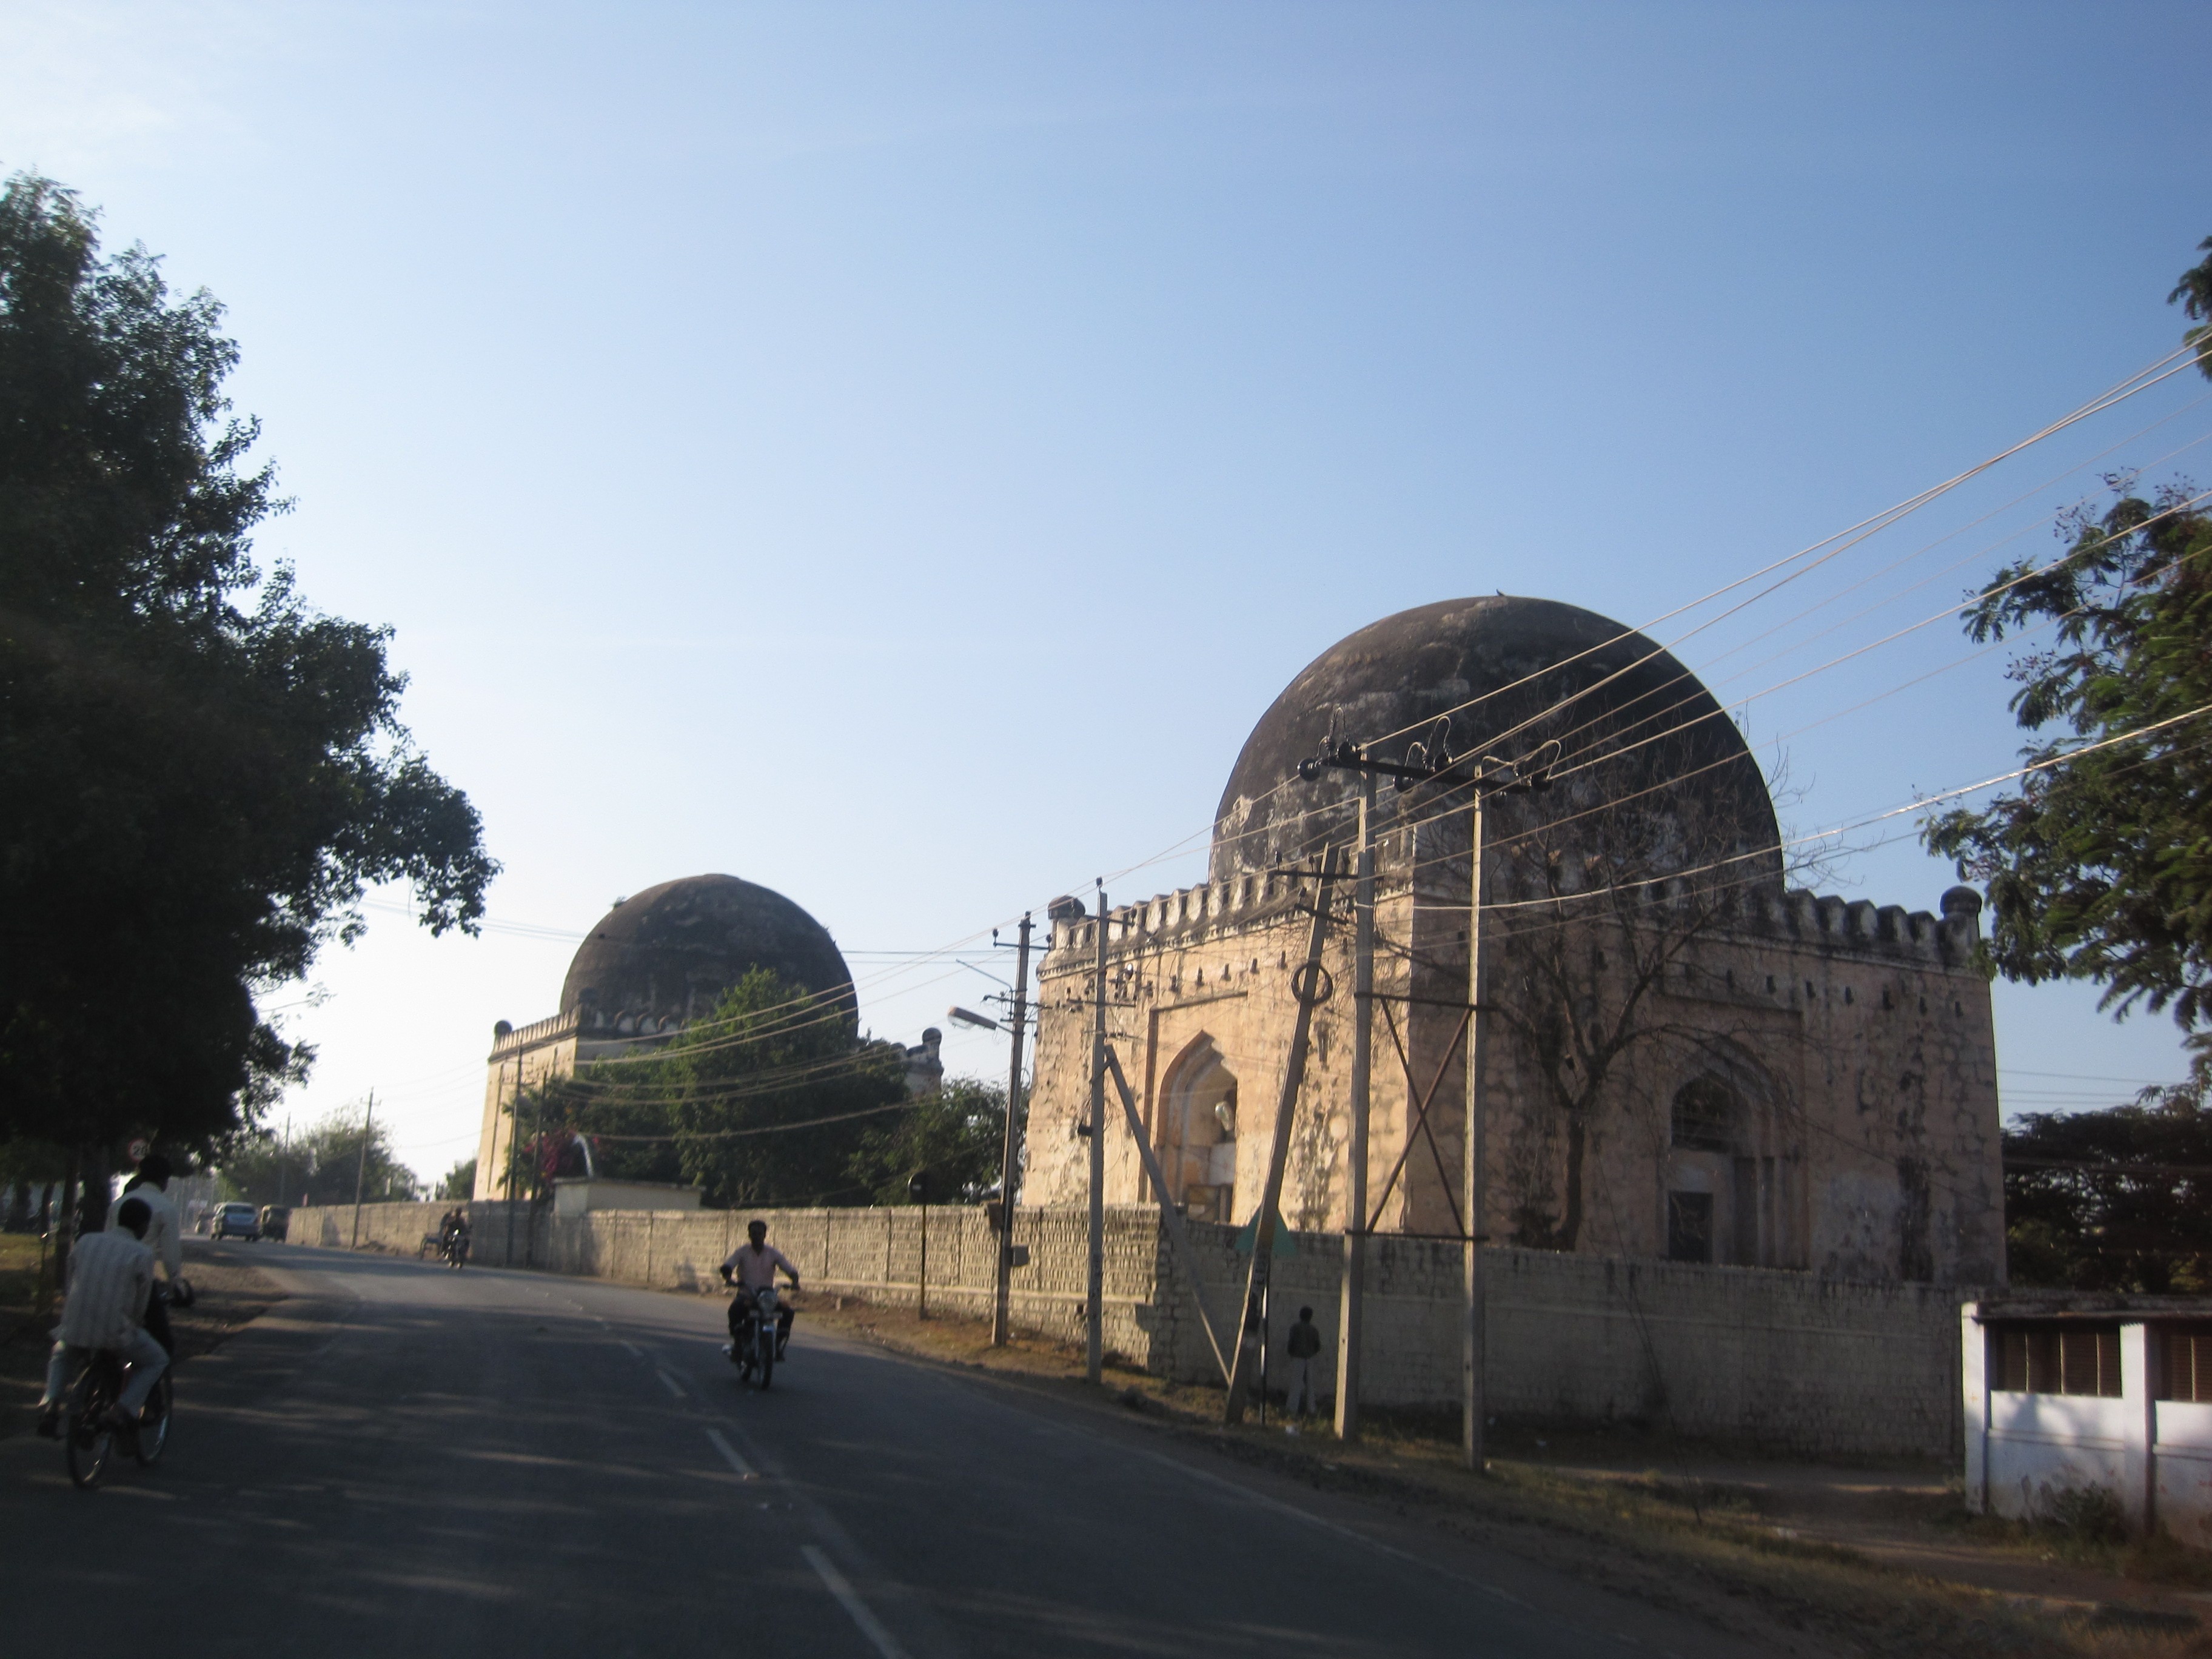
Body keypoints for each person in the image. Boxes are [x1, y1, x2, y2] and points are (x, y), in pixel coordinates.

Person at [36, 1196, 169, 1438]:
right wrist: (136, 1324)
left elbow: (70, 1283)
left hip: (75, 1325)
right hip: (115, 1333)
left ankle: (52, 1406)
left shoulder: (86, 1241)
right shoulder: (142, 1253)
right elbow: (140, 1304)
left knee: (62, 1353)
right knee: (157, 1360)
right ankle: (122, 1410)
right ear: (142, 1226)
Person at [107, 1153, 184, 1355]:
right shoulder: (167, 1208)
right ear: (164, 1180)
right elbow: (170, 1256)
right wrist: (177, 1285)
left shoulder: (119, 1203)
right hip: (140, 1279)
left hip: (108, 1277)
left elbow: (108, 1238)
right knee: (163, 1347)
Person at [720, 1220, 800, 1359]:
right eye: (754, 1233)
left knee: (788, 1311)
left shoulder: (773, 1253)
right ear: (749, 1235)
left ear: (765, 1235)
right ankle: (738, 1343)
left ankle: (777, 1345)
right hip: (747, 1296)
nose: (757, 1236)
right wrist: (728, 1278)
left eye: (759, 1233)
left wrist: (795, 1280)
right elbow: (729, 1265)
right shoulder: (742, 1252)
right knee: (735, 1309)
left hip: (767, 1297)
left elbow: (788, 1268)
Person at [1285, 1305, 1322, 1419]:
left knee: (1296, 1385)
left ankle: (1292, 1408)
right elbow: (1318, 1346)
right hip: (1309, 1358)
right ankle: (1311, 1409)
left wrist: (1291, 1353)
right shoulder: (1314, 1330)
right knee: (1310, 1385)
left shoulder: (1295, 1328)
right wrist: (1311, 1353)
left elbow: (1291, 1343)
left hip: (1297, 1358)